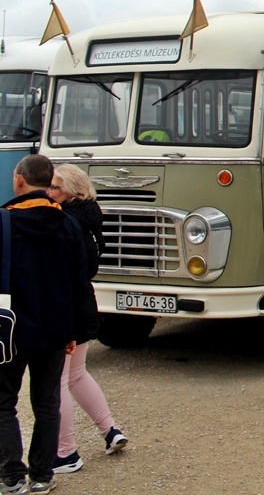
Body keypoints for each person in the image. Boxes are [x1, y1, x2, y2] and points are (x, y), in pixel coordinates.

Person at [0, 155, 91, 495]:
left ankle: (11, 477)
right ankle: (41, 474)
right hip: (54, 328)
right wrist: (73, 332)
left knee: (4, 400)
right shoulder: (67, 224)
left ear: (20, 181)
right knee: (47, 401)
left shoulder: (4, 222)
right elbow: (79, 283)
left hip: (8, 330)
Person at [46, 165, 127, 475]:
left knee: (59, 382)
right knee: (76, 375)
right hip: (84, 300)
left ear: (72, 190)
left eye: (55, 187)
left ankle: (65, 452)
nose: (50, 191)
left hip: (68, 305)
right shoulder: (91, 218)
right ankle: (110, 430)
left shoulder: (65, 222)